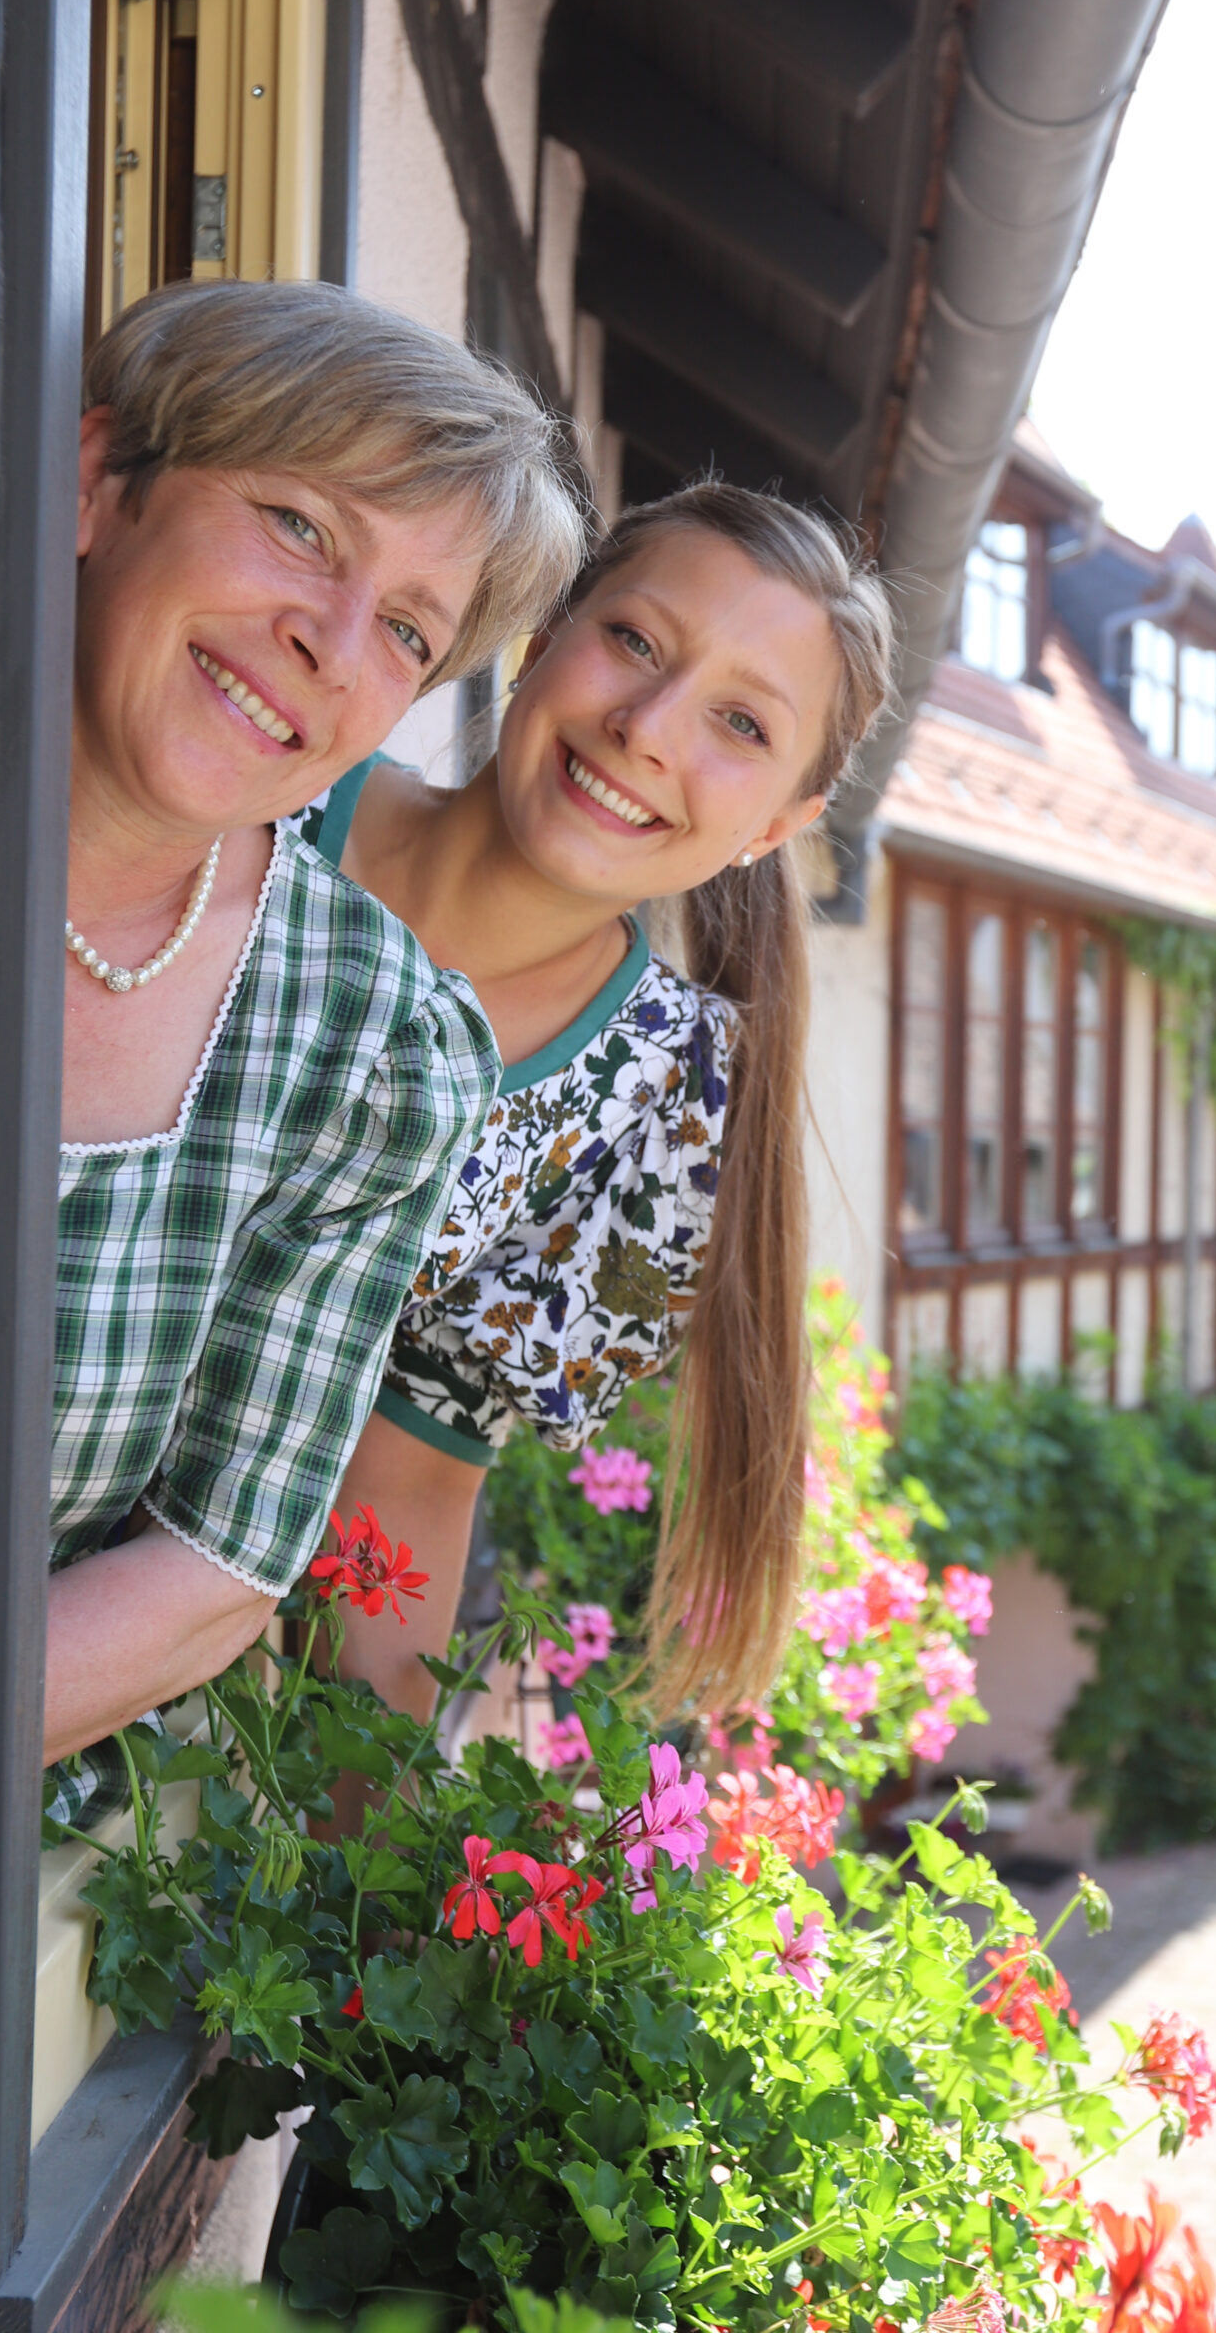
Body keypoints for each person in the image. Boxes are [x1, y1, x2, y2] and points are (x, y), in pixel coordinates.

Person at [44, 279, 585, 1823]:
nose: (329, 639)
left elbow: (218, 1566)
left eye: (408, 630)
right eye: (298, 526)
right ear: (99, 483)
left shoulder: (373, 1046)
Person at [289, 483, 893, 1725]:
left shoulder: (649, 1113)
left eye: (738, 720)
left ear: (776, 823)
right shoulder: (273, 790)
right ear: (542, 632)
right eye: (632, 641)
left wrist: (367, 1887)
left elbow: (399, 1498)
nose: (649, 728)